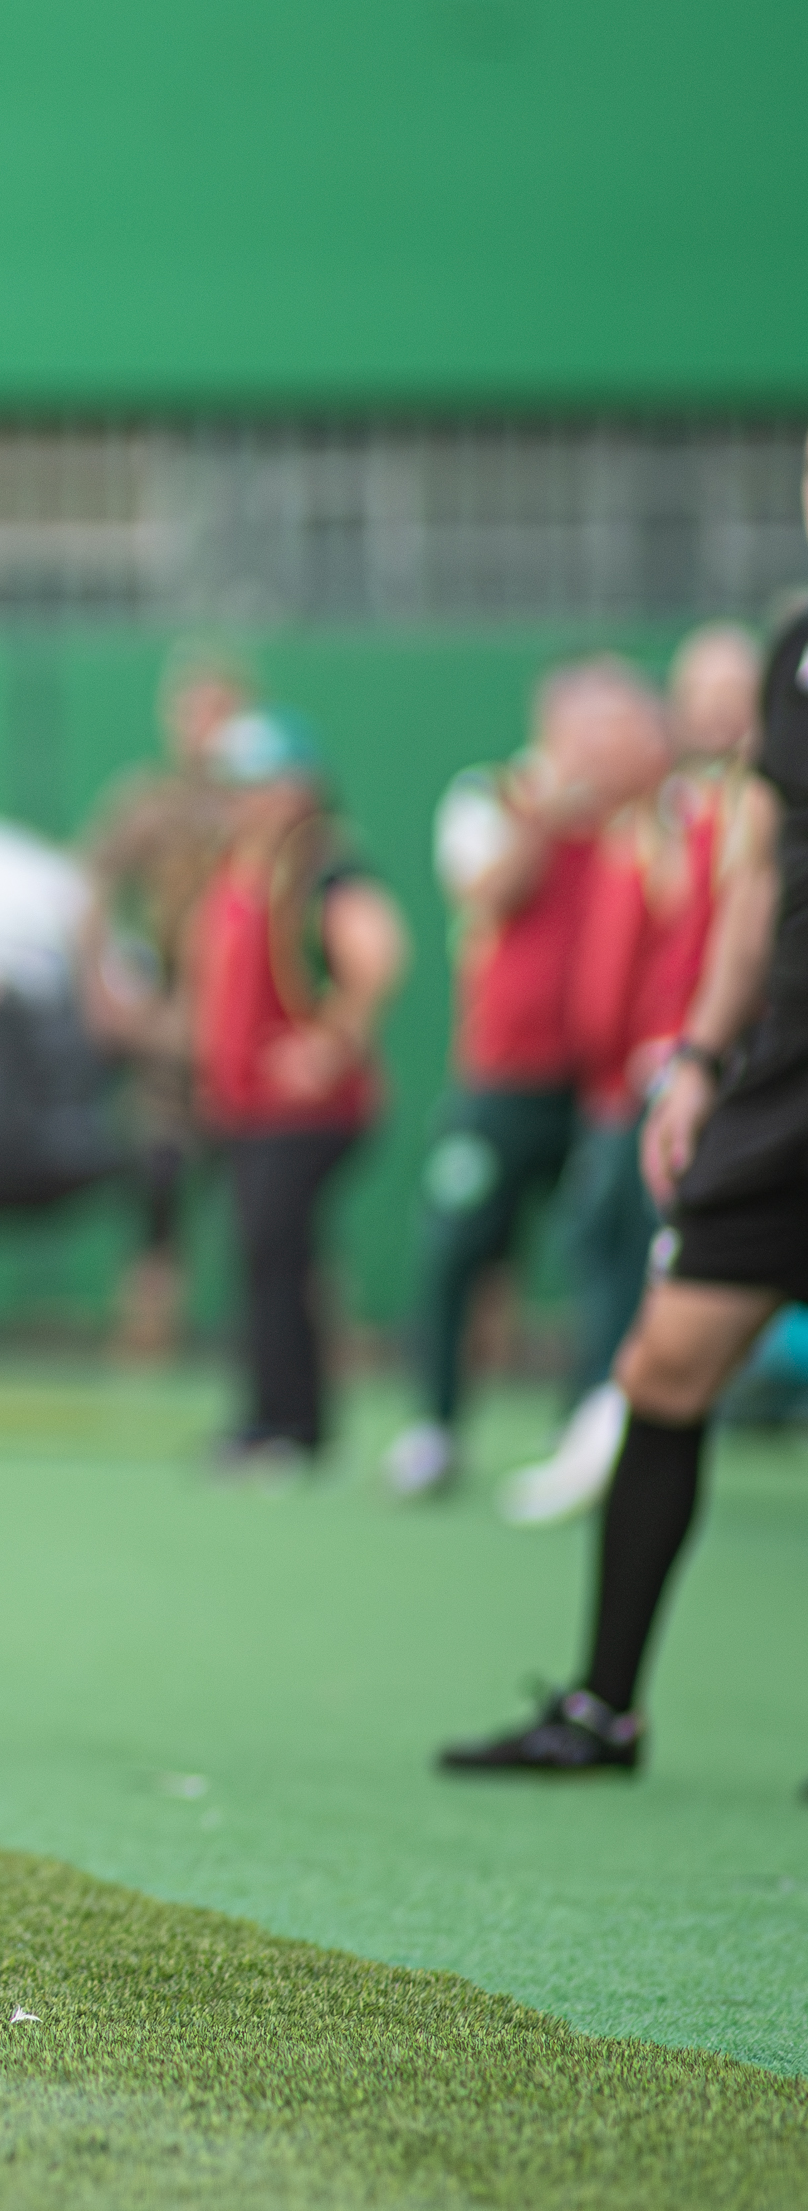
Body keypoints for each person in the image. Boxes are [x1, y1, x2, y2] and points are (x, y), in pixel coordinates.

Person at [440, 567, 808, 1779]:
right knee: (662, 1362)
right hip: (777, 1079)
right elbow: (758, 869)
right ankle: (604, 1710)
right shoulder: (793, 643)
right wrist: (703, 1055)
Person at [382, 661, 667, 1500]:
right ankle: (434, 1425)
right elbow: (485, 889)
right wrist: (545, 816)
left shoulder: (639, 821)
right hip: (502, 1083)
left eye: (613, 729)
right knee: (454, 1247)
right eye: (583, 729)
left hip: (599, 1086)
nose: (598, 748)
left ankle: (587, 1425)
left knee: (603, 1254)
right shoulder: (490, 797)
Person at [506, 626, 760, 1524]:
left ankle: (620, 1433)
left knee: (680, 1280)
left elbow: (717, 941)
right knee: (610, 1258)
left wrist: (687, 1046)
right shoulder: (647, 820)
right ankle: (597, 1429)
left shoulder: (729, 813)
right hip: (626, 1089)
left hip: (700, 1080)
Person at [191, 709, 406, 1473]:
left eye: (255, 783)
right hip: (245, 1108)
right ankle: (275, 1416)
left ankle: (288, 1424)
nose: (239, 798)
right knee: (263, 1258)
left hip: (303, 1113)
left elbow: (379, 953)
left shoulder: (323, 867)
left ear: (299, 789)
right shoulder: (236, 865)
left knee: (278, 1256)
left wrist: (330, 1040)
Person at [77, 650, 250, 1362]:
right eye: (192, 712)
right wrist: (108, 988)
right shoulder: (151, 801)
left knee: (265, 1186)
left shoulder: (267, 804)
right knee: (157, 1176)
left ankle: (284, 1340)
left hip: (250, 1023)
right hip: (171, 1020)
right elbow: (91, 885)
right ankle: (150, 1326)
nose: (203, 730)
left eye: (219, 712)